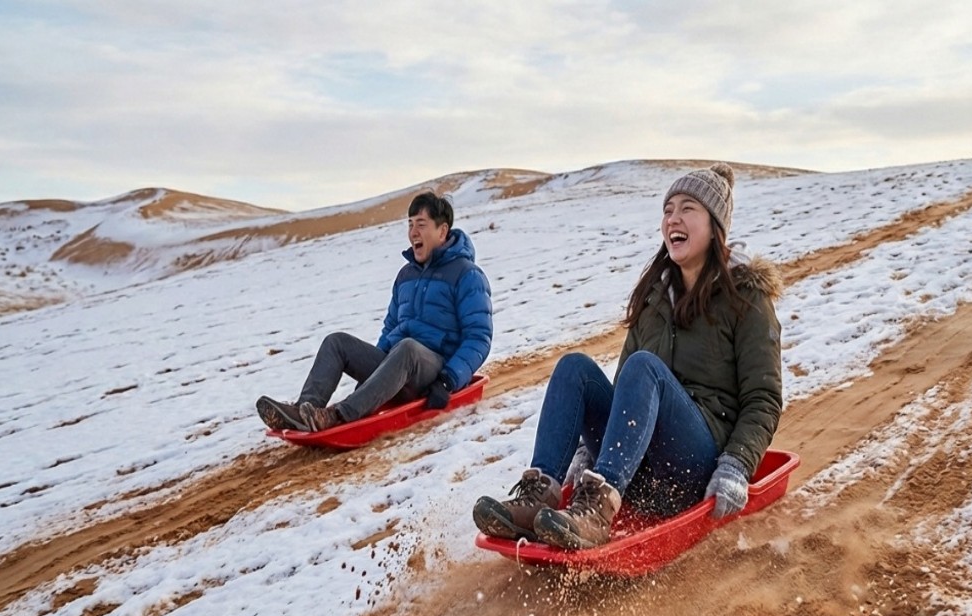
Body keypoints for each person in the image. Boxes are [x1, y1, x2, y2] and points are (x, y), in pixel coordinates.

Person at [472, 163, 782, 550]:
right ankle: (540, 496)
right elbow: (625, 393)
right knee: (576, 369)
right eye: (668, 209)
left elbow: (763, 399)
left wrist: (736, 464)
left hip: (693, 463)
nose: (673, 218)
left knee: (644, 367)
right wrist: (586, 452)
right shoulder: (655, 298)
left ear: (716, 225)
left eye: (688, 208)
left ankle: (599, 510)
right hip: (637, 467)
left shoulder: (745, 298)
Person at [256, 191, 493, 432]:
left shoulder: (467, 275)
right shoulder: (406, 276)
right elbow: (391, 328)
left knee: (408, 347)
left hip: (434, 373)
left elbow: (478, 337)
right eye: (410, 224)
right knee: (336, 342)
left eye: (421, 225)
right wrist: (374, 378)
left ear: (442, 231)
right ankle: (304, 410)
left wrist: (448, 380)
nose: (413, 232)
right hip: (399, 367)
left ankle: (338, 415)